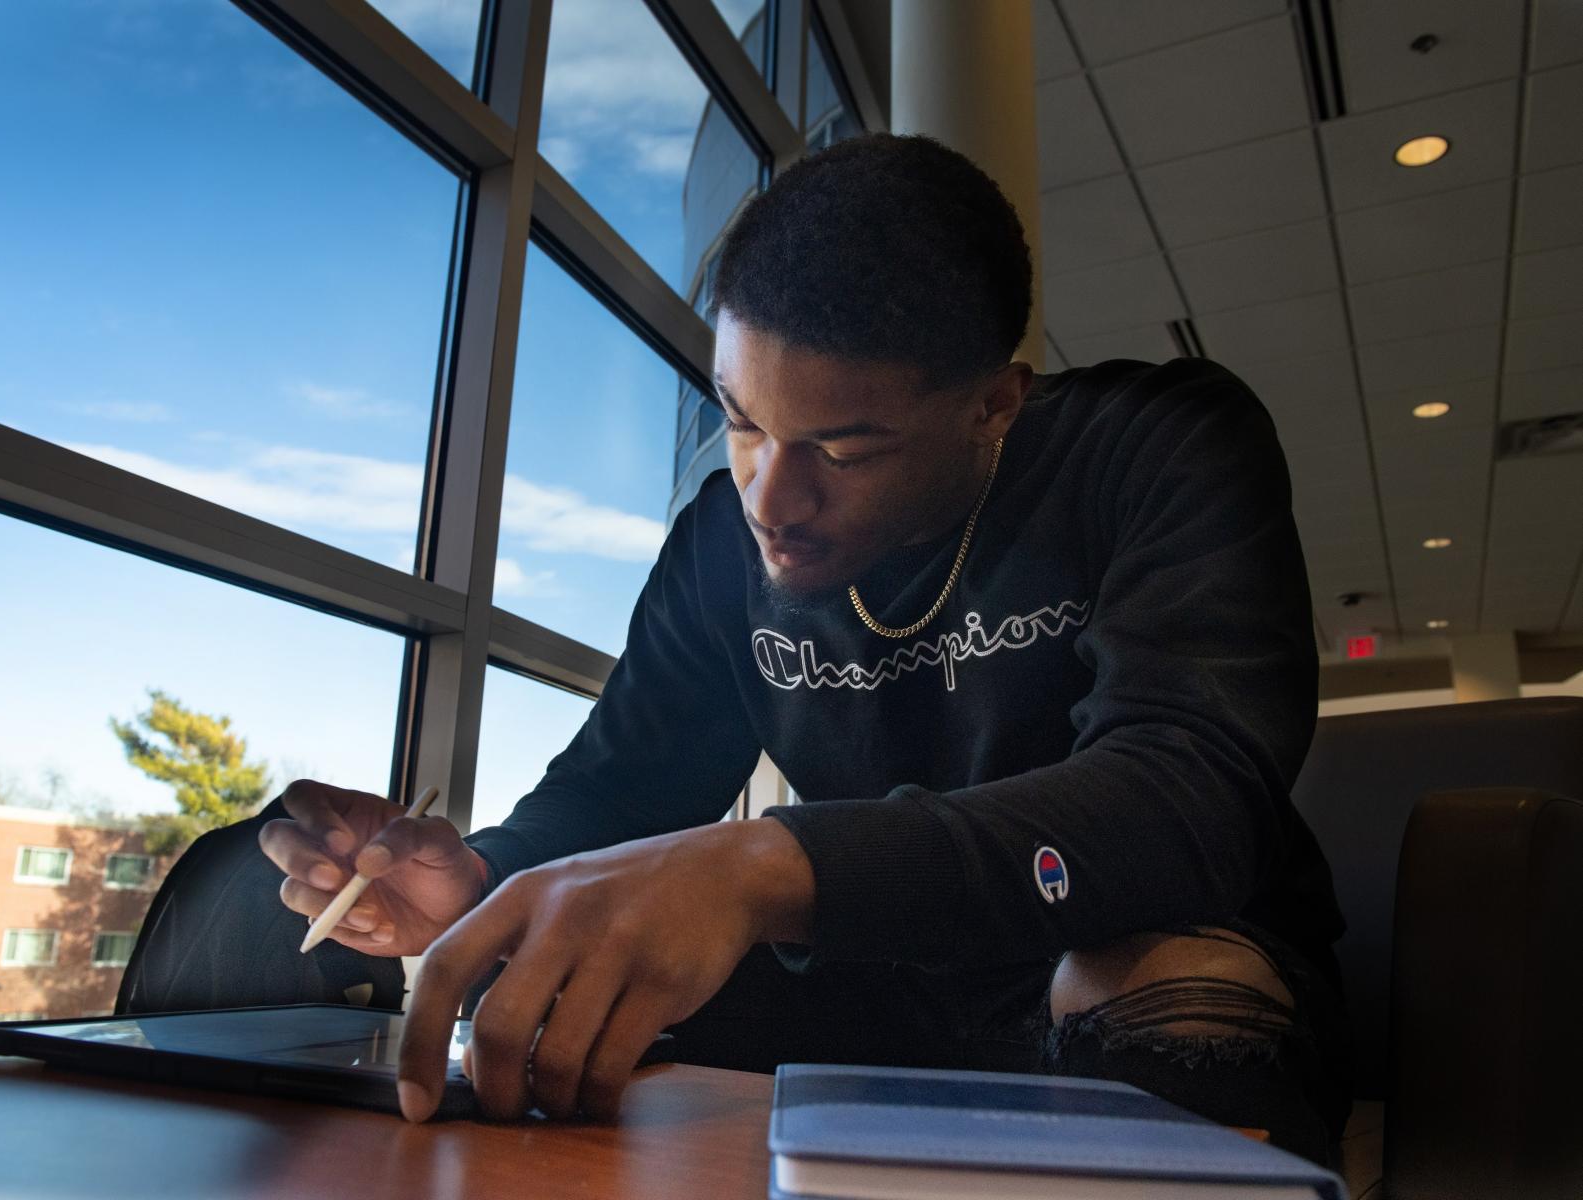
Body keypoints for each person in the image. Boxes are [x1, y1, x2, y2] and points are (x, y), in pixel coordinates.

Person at [257, 133, 1352, 1164]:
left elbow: (1185, 802)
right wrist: (483, 876)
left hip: (1135, 947)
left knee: (1166, 983)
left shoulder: (1151, 447)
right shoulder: (717, 551)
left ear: (995, 405)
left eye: (843, 446)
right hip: (883, 981)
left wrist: (767, 864)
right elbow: (618, 786)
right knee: (564, 981)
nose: (770, 498)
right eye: (741, 421)